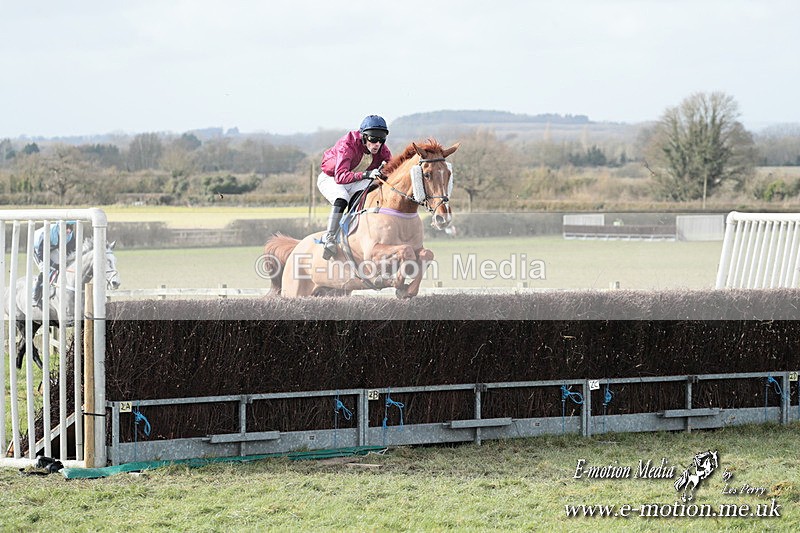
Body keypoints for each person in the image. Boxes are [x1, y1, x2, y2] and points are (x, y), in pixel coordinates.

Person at [317, 115, 392, 259]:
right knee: (342, 197)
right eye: (373, 139)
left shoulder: (381, 148)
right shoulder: (347, 145)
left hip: (353, 178)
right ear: (364, 137)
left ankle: (354, 230)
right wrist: (365, 174)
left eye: (381, 139)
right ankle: (330, 237)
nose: (377, 143)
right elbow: (340, 177)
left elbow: (393, 167)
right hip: (331, 178)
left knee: (368, 191)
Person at [31, 220, 77, 308]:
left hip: (51, 248)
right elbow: (41, 253)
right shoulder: (49, 232)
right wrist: (52, 264)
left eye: (71, 228)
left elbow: (70, 252)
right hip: (37, 249)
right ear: (60, 227)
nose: (69, 231)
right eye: (67, 228)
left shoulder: (70, 235)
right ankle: (35, 295)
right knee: (45, 269)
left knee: (60, 265)